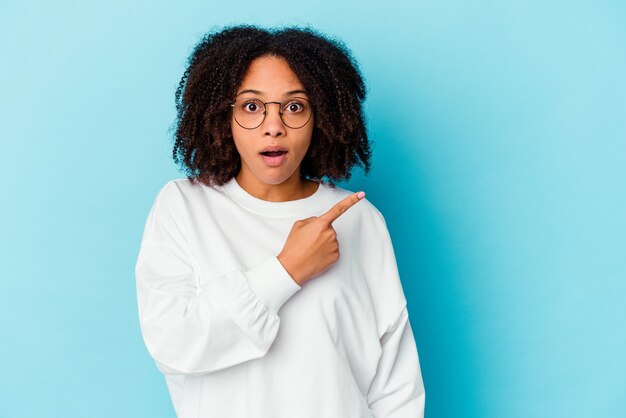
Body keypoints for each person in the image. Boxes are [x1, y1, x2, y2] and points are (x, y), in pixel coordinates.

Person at [135, 24, 425, 418]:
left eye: (294, 106)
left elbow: (396, 385)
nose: (274, 126)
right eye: (252, 106)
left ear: (320, 116)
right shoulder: (183, 207)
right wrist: (286, 271)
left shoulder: (361, 221)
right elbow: (174, 344)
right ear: (224, 117)